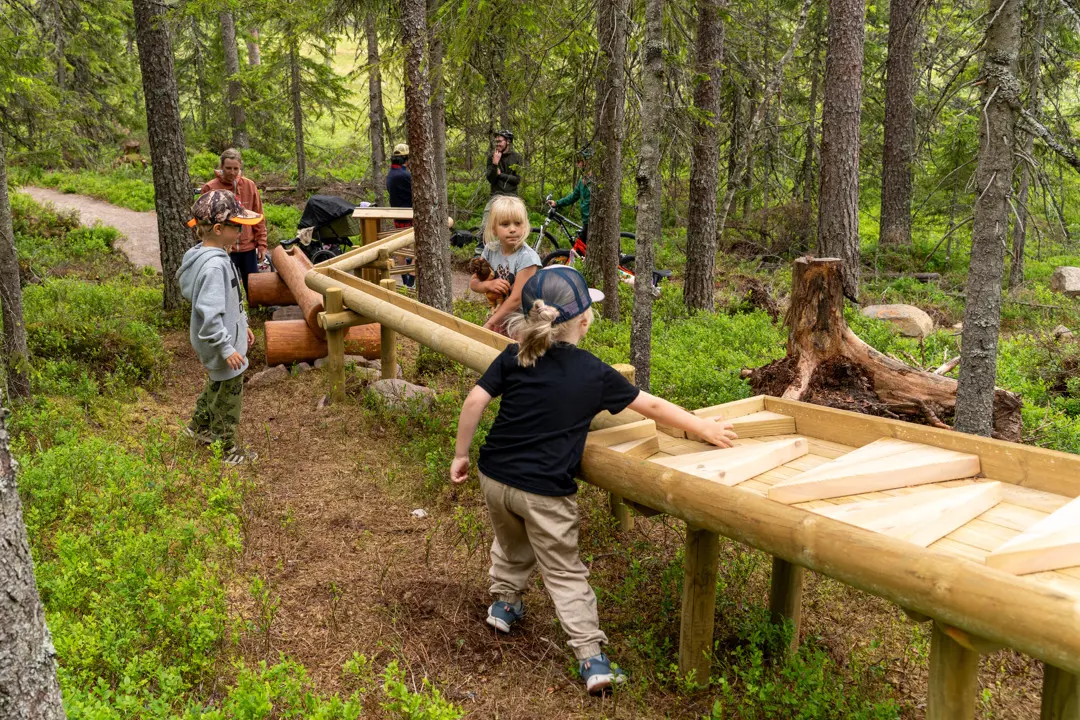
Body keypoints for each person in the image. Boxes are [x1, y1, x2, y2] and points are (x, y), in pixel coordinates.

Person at [450, 265, 738, 695]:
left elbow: (475, 400)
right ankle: (591, 657)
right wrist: (702, 427)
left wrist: (460, 454)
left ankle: (504, 604)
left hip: (495, 476)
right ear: (585, 321)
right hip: (545, 491)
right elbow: (653, 407)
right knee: (564, 571)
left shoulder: (515, 355)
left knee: (510, 544)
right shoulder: (593, 372)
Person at [178, 190, 262, 466]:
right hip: (221, 344)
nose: (240, 232)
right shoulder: (214, 267)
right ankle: (225, 448)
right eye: (236, 226)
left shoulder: (211, 256)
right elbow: (211, 315)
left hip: (226, 338)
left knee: (217, 384)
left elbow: (231, 301)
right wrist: (226, 347)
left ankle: (198, 427)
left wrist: (243, 324)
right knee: (229, 396)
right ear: (218, 229)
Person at [469, 195, 541, 334]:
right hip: (501, 316)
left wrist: (491, 323)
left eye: (518, 223)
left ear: (525, 225)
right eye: (505, 224)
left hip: (524, 322)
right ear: (494, 228)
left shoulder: (528, 258)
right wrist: (488, 285)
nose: (512, 229)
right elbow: (473, 283)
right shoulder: (490, 250)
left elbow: (516, 299)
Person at [200, 148, 268, 295]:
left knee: (254, 288)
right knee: (224, 288)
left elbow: (258, 216)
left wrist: (262, 244)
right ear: (221, 167)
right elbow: (203, 222)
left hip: (248, 248)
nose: (232, 172)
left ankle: (256, 308)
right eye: (228, 168)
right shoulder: (210, 188)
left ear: (240, 167)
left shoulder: (249, 186)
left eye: (235, 168)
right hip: (222, 248)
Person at [385, 142, 415, 287]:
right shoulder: (406, 176)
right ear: (406, 159)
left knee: (401, 249)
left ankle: (405, 281)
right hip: (410, 215)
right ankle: (410, 282)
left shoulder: (390, 175)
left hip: (397, 215)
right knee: (417, 249)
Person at [548, 147, 593, 243]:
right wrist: (557, 203)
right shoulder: (582, 181)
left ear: (587, 162)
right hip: (586, 221)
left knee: (579, 247)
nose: (577, 165)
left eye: (579, 161)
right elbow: (573, 197)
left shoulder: (596, 181)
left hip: (593, 222)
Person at [485, 129, 523, 197]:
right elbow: (491, 180)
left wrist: (500, 175)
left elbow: (517, 180)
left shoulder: (517, 157)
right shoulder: (492, 157)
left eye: (500, 141)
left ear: (508, 141)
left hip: (512, 196)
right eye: (496, 142)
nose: (497, 144)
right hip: (496, 196)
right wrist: (495, 164)